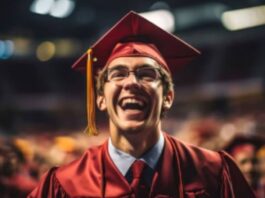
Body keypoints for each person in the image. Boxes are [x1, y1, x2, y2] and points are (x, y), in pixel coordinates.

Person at [28, 11, 255, 198]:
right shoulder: (64, 184)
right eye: (118, 74)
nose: (132, 83)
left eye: (147, 74)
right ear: (100, 98)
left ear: (168, 97)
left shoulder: (214, 173)